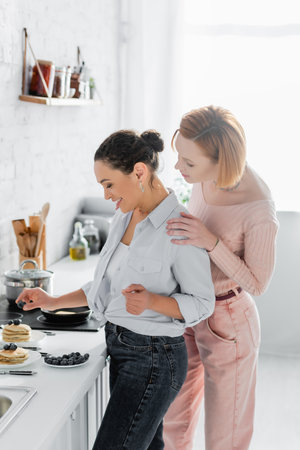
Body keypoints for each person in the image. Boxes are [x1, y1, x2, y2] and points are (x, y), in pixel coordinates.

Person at [16, 129, 215, 450]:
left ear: (139, 172)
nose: (107, 195)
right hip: (121, 347)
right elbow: (106, 286)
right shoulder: (123, 217)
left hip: (155, 358)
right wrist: (51, 301)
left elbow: (203, 303)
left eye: (108, 184)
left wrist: (153, 301)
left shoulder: (179, 228)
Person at [163, 105, 279, 450]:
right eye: (179, 156)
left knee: (225, 437)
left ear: (221, 162)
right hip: (186, 310)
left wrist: (211, 243)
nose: (178, 168)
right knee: (172, 424)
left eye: (189, 163)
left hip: (227, 323)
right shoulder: (203, 178)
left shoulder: (259, 210)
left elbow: (258, 284)